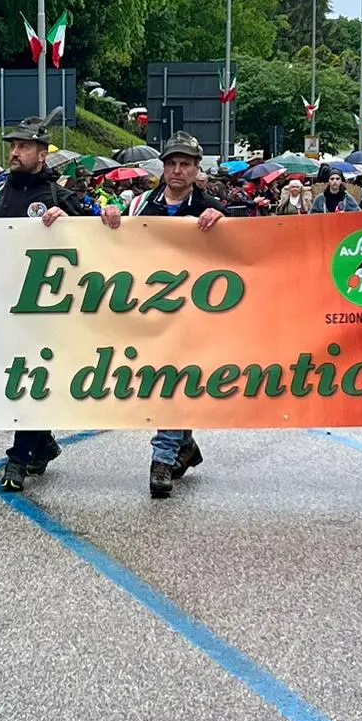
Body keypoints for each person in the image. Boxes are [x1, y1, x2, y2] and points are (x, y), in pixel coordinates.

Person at [0, 115, 122, 493]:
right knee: (7, 378)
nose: (15, 152)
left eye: (23, 146)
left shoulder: (60, 194)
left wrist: (103, 215)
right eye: (13, 145)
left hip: (45, 307)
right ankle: (42, 442)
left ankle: (18, 458)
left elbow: (103, 218)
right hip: (1, 302)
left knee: (28, 377)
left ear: (42, 154)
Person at [125, 133, 221, 498]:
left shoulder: (211, 208)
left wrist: (222, 222)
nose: (177, 170)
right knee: (166, 381)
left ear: (197, 170)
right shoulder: (139, 206)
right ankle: (184, 445)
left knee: (172, 378)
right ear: (163, 168)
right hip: (149, 310)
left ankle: (162, 459)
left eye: (185, 164)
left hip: (194, 313)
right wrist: (110, 220)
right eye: (172, 163)